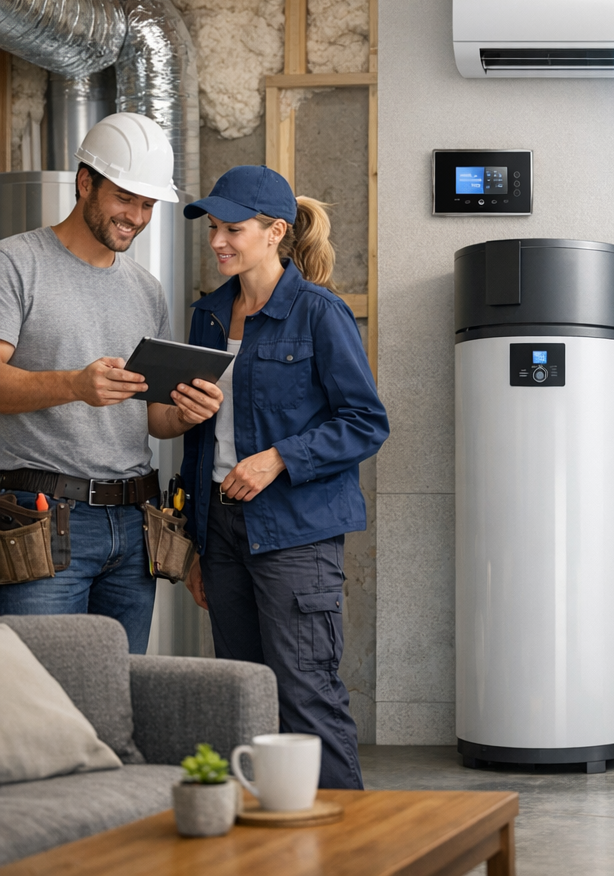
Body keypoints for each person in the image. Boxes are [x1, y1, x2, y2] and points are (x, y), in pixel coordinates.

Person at [179, 165, 388, 790]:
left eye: (232, 229)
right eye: (213, 228)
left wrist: (279, 458)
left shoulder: (319, 313)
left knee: (306, 694)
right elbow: (198, 436)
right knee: (245, 694)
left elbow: (366, 422)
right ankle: (271, 843)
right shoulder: (209, 316)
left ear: (274, 232)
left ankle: (348, 849)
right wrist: (197, 541)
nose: (218, 241)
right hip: (222, 530)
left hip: (297, 535)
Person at [0, 113, 223, 652]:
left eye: (147, 205)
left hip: (134, 526)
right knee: (46, 705)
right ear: (85, 183)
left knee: (117, 700)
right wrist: (74, 385)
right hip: (44, 522)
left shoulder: (146, 289)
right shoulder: (16, 262)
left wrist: (185, 413)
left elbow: (152, 417)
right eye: (126, 198)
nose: (137, 217)